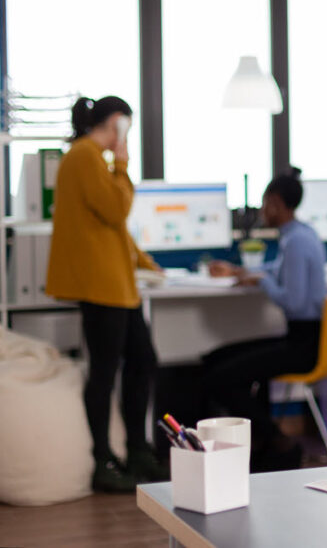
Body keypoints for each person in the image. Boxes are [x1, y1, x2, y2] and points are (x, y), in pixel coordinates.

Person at [46, 95, 166, 493]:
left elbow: (113, 230)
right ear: (117, 123)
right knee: (104, 371)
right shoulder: (84, 156)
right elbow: (116, 210)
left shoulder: (91, 159)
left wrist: (147, 264)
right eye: (125, 126)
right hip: (101, 287)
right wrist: (123, 161)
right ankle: (103, 460)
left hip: (118, 285)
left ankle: (137, 449)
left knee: (143, 360)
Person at [205, 167, 327, 470]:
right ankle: (264, 444)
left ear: (275, 202)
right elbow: (280, 270)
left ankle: (277, 439)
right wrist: (247, 273)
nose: (262, 210)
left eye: (264, 203)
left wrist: (262, 282)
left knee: (220, 376)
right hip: (304, 338)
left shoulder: (295, 242)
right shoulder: (302, 234)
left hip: (303, 345)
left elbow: (294, 303)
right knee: (219, 359)